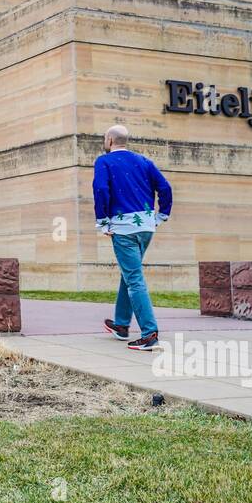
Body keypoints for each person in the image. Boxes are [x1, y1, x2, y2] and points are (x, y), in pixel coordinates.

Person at [94, 124, 173, 350]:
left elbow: (101, 189)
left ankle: (150, 335)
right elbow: (165, 188)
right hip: (146, 226)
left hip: (123, 228)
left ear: (110, 140)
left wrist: (102, 221)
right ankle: (121, 324)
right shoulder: (144, 161)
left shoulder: (104, 161)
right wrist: (162, 215)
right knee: (130, 272)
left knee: (134, 279)